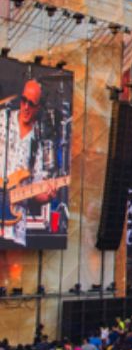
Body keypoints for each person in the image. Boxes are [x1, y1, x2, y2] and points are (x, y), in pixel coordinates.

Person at [0, 79, 60, 248]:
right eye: (24, 100)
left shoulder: (38, 142)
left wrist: (47, 195)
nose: (26, 107)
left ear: (38, 107)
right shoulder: (2, 120)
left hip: (15, 229)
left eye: (31, 103)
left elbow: (36, 190)